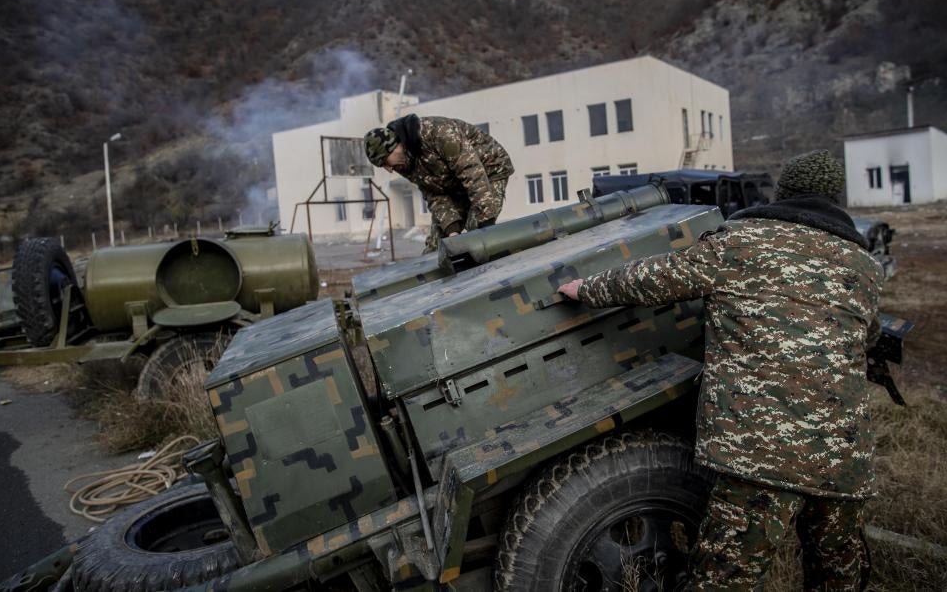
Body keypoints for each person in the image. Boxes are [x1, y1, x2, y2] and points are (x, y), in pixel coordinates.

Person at [558, 150, 883, 591]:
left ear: (782, 191)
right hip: (843, 461)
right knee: (838, 582)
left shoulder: (742, 240)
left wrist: (586, 288)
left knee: (722, 582)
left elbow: (656, 278)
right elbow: (869, 335)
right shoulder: (863, 265)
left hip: (761, 454)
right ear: (834, 198)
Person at [364, 114, 514, 252]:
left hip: (489, 170)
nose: (389, 170)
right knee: (437, 247)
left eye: (385, 162)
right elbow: (433, 193)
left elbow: (472, 174)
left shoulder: (439, 133)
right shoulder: (402, 162)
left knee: (475, 234)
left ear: (395, 146)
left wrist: (485, 222)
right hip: (454, 184)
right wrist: (452, 229)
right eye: (383, 166)